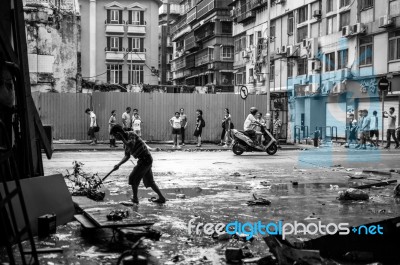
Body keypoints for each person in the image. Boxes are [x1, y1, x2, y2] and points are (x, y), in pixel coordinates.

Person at [111, 125, 166, 204]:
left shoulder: (131, 134)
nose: (115, 138)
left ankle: (135, 199)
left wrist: (122, 139)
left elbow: (131, 145)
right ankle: (161, 198)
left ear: (118, 133)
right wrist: (118, 165)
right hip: (144, 160)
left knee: (133, 178)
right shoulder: (125, 143)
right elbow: (127, 156)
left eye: (114, 135)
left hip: (145, 159)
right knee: (150, 181)